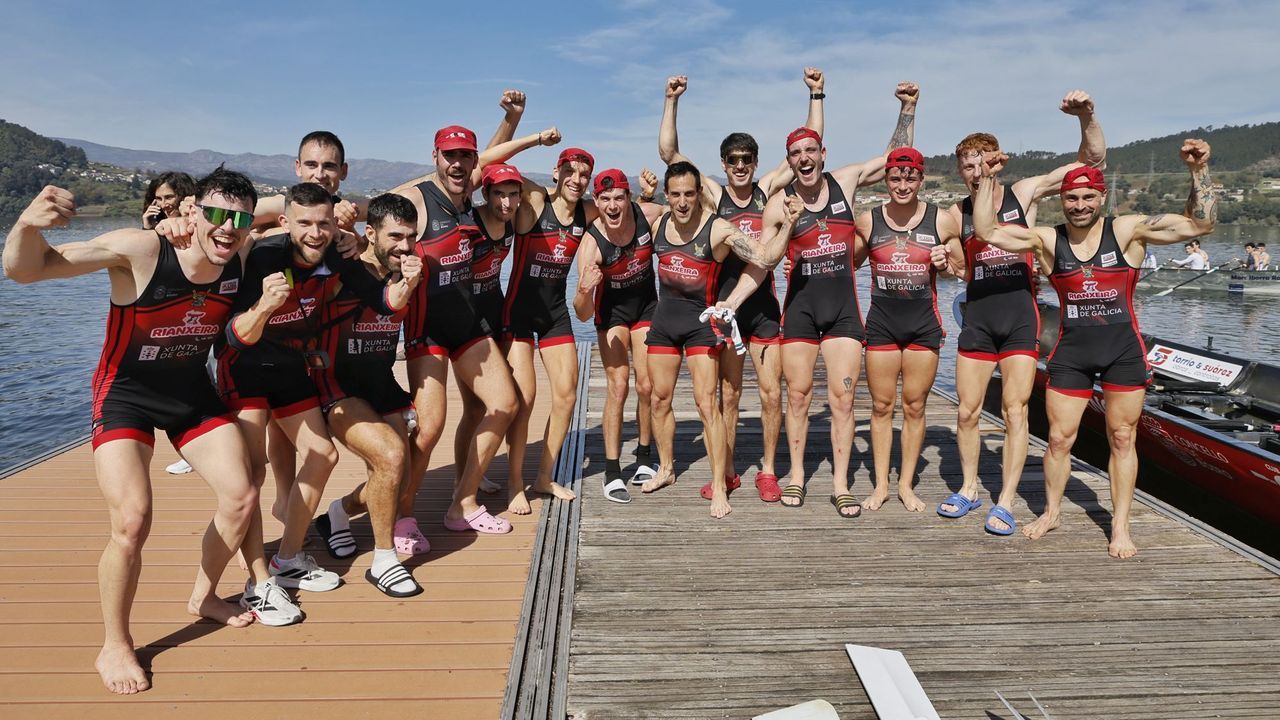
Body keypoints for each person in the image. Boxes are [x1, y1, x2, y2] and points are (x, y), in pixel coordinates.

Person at [2, 168, 304, 695]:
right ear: (191, 211)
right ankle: (114, 643)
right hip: (126, 398)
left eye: (239, 218)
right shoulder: (140, 250)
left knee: (240, 496)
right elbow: (26, 272)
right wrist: (28, 226)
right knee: (133, 521)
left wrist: (344, 218)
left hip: (190, 393)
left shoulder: (237, 251)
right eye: (214, 214)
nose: (227, 227)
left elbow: (286, 208)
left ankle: (204, 596)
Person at [972, 139, 1216, 559]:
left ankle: (1120, 526)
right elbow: (987, 231)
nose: (1080, 204)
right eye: (1071, 197)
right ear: (1061, 200)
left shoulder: (1127, 230)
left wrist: (1200, 171)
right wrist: (989, 179)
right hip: (1072, 352)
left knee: (1122, 438)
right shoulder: (1048, 239)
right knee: (1058, 440)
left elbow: (1201, 226)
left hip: (1123, 349)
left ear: (1101, 197)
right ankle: (1051, 512)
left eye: (1088, 196)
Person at [219, 183, 407, 595]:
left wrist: (406, 279)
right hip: (246, 367)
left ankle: (286, 560)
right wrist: (266, 306)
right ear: (286, 223)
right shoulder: (267, 256)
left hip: (290, 366)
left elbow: (382, 300)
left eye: (323, 223)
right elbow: (236, 337)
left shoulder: (337, 254)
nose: (315, 233)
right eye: (304, 223)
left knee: (323, 455)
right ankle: (258, 581)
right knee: (251, 474)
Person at [936, 91, 1105, 534]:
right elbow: (957, 266)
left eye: (982, 163)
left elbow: (1090, 162)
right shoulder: (956, 214)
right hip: (979, 319)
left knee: (1015, 410)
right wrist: (945, 262)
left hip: (1019, 319)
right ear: (960, 170)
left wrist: (1085, 116)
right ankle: (970, 488)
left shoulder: (1023, 194)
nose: (975, 172)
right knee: (967, 411)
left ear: (996, 161)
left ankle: (1006, 500)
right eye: (967, 166)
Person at [743, 85, 918, 512]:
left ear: (822, 153)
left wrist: (907, 108)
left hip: (843, 313)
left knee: (842, 399)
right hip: (800, 312)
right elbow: (763, 260)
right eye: (795, 154)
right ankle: (798, 476)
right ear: (789, 163)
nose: (804, 158)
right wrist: (731, 302)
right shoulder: (779, 205)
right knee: (798, 396)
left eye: (810, 150)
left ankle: (841, 483)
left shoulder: (845, 181)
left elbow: (895, 160)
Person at [657, 69, 829, 503]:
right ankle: (728, 470)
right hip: (724, 307)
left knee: (772, 392)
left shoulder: (767, 189)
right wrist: (672, 100)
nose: (739, 167)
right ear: (722, 164)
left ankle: (768, 470)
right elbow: (669, 153)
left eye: (745, 161)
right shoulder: (712, 194)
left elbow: (808, 144)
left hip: (763, 306)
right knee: (728, 394)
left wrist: (816, 94)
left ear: (754, 163)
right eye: (732, 160)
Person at [393, 124, 555, 543]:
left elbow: (495, 161)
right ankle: (403, 515)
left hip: (467, 323)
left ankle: (462, 503)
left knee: (504, 405)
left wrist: (525, 131)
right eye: (450, 156)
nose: (458, 163)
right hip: (427, 326)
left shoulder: (469, 197)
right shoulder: (418, 198)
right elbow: (375, 222)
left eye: (466, 156)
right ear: (436, 157)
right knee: (429, 428)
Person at [640, 161, 784, 519]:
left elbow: (764, 258)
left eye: (690, 193)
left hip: (702, 324)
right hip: (664, 323)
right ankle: (666, 468)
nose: (683, 201)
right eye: (675, 194)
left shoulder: (718, 228)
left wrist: (790, 224)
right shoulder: (658, 222)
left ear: (699, 193)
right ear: (667, 195)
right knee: (658, 399)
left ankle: (720, 485)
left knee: (707, 405)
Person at [311, 193, 425, 597]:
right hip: (336, 386)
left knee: (399, 476)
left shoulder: (405, 272)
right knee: (391, 457)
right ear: (370, 233)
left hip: (380, 382)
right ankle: (384, 560)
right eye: (395, 236)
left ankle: (337, 515)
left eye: (411, 237)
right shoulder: (344, 270)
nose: (405, 246)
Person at [856, 147, 963, 517]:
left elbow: (962, 269)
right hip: (882, 323)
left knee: (915, 406)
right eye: (896, 178)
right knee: (882, 406)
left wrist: (945, 262)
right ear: (886, 179)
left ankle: (905, 484)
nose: (903, 185)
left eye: (910, 177)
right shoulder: (869, 221)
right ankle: (882, 485)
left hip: (923, 324)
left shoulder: (942, 220)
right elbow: (842, 262)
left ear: (921, 178)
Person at [501, 145, 601, 515]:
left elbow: (625, 212)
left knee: (566, 394)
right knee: (524, 401)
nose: (577, 180)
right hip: (518, 315)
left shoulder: (585, 212)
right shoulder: (535, 205)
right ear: (556, 173)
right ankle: (515, 483)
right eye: (570, 172)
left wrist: (652, 197)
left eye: (584, 175)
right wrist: (531, 134)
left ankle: (544, 476)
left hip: (556, 313)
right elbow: (495, 166)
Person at [573, 168, 664, 503]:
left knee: (647, 385)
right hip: (611, 314)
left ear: (628, 198)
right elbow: (581, 311)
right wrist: (584, 290)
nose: (612, 205)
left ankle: (643, 454)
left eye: (618, 198)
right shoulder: (591, 244)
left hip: (646, 308)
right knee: (618, 386)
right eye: (605, 199)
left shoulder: (648, 214)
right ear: (596, 202)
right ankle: (612, 471)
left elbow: (685, 227)